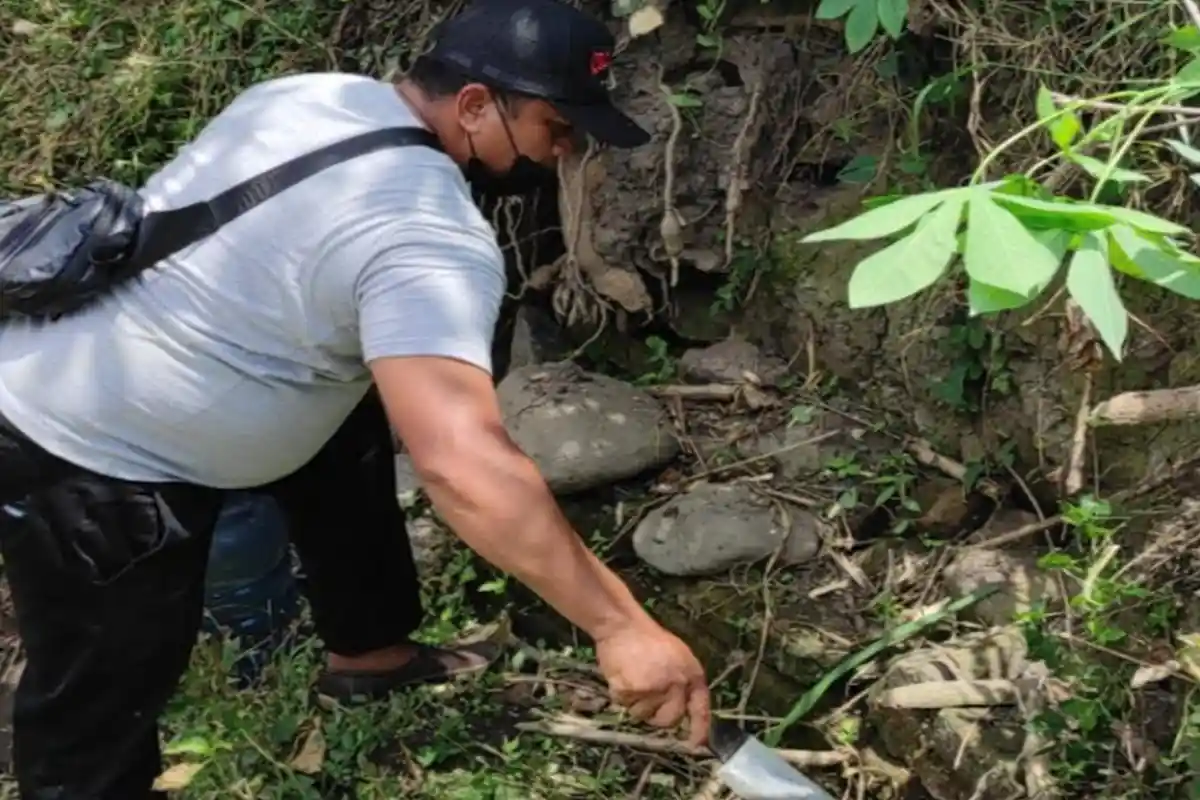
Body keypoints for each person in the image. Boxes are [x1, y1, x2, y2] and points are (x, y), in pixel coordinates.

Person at [0, 0, 712, 797]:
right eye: (554, 128)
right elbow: (461, 465)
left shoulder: (303, 95)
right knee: (97, 709)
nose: (561, 155)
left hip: (84, 353)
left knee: (360, 416)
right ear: (476, 105)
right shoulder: (429, 235)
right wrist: (620, 627)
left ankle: (369, 652)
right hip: (83, 451)